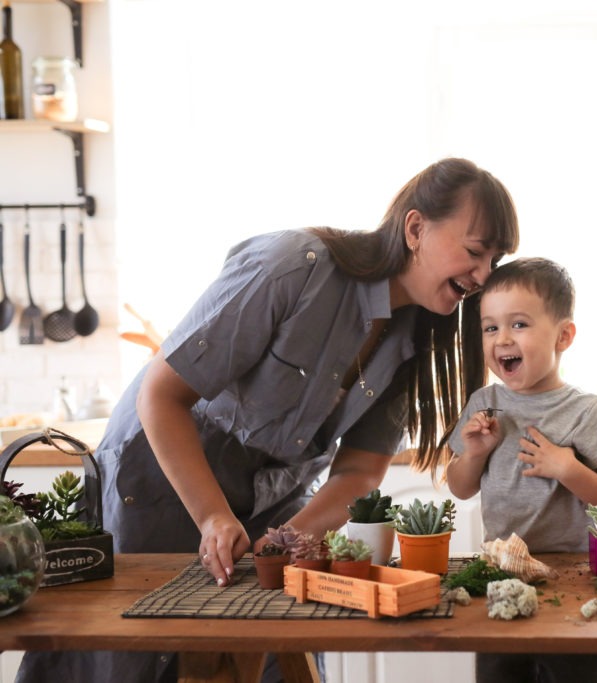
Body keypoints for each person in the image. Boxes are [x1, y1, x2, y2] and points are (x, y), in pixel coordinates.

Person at [15, 157, 519, 683]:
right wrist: (212, 516)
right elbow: (161, 395)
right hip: (162, 478)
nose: (483, 275)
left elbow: (359, 474)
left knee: (285, 649)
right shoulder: (294, 265)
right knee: (144, 656)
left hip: (270, 500)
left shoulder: (413, 340)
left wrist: (287, 537)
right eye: (475, 251)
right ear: (416, 228)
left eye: (495, 260)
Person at [444, 257, 597, 683]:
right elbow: (459, 487)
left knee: (574, 673)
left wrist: (568, 469)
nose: (501, 339)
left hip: (571, 579)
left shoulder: (584, 412)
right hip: (500, 575)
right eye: (490, 327)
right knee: (499, 673)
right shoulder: (483, 404)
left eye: (519, 324)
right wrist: (475, 453)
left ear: (564, 336)